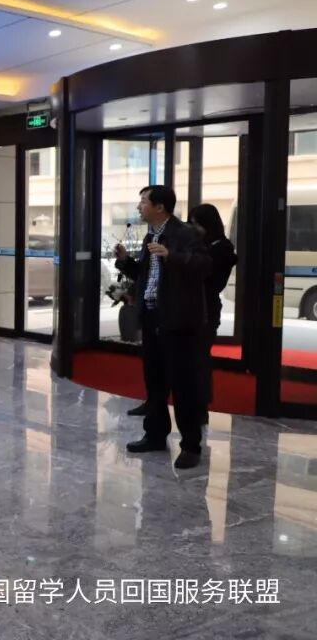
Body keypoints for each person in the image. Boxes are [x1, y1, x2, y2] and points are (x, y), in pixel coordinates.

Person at [114, 186, 211, 470]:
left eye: (143, 202)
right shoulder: (151, 236)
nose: (139, 207)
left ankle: (191, 446)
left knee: (183, 385)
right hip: (152, 317)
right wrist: (125, 262)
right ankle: (155, 435)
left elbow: (204, 266)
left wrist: (172, 255)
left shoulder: (185, 233)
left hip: (178, 321)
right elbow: (146, 276)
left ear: (160, 207)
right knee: (155, 383)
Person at [189, 203, 238, 425]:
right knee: (194, 359)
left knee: (200, 359)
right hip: (194, 307)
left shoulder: (222, 249)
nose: (193, 229)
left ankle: (200, 408)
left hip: (206, 310)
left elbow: (210, 280)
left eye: (195, 224)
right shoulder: (205, 245)